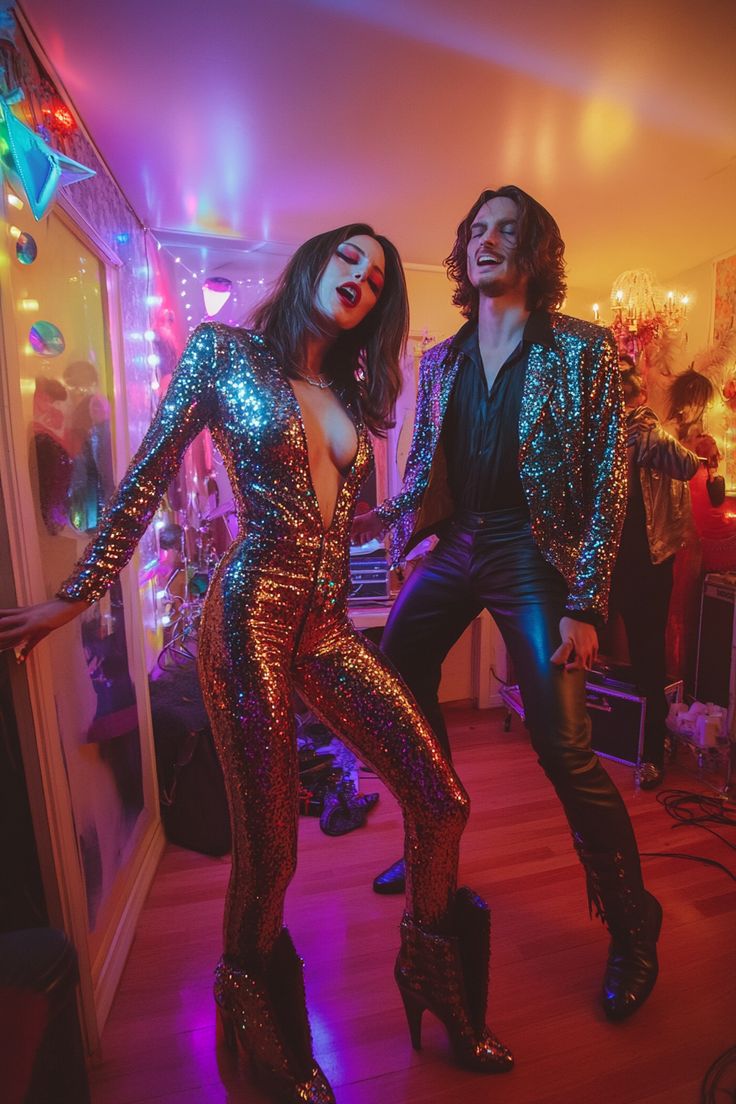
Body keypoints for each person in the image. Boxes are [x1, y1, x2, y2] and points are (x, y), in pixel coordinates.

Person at [0, 224, 514, 1104]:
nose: (360, 277)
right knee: (271, 851)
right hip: (247, 617)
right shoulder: (220, 352)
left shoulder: (345, 390)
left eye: (377, 277)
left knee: (442, 799)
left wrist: (421, 526)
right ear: (314, 261)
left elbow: (344, 513)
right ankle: (248, 1001)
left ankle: (431, 976)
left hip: (327, 624)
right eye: (349, 256)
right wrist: (76, 596)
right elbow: (147, 476)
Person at [353, 186, 662, 1023]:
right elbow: (422, 468)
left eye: (507, 230)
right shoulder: (442, 360)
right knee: (397, 664)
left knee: (563, 747)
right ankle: (435, 835)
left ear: (535, 252)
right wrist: (391, 518)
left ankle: (635, 924)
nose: (487, 241)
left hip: (533, 550)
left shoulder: (583, 351)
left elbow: (610, 482)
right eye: (476, 230)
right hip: (460, 543)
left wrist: (587, 603)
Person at [609, 359, 700, 789]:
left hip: (648, 563)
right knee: (585, 644)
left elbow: (686, 465)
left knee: (647, 656)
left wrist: (652, 436)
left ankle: (652, 750)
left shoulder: (649, 431)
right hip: (606, 559)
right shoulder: (601, 432)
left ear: (639, 396)